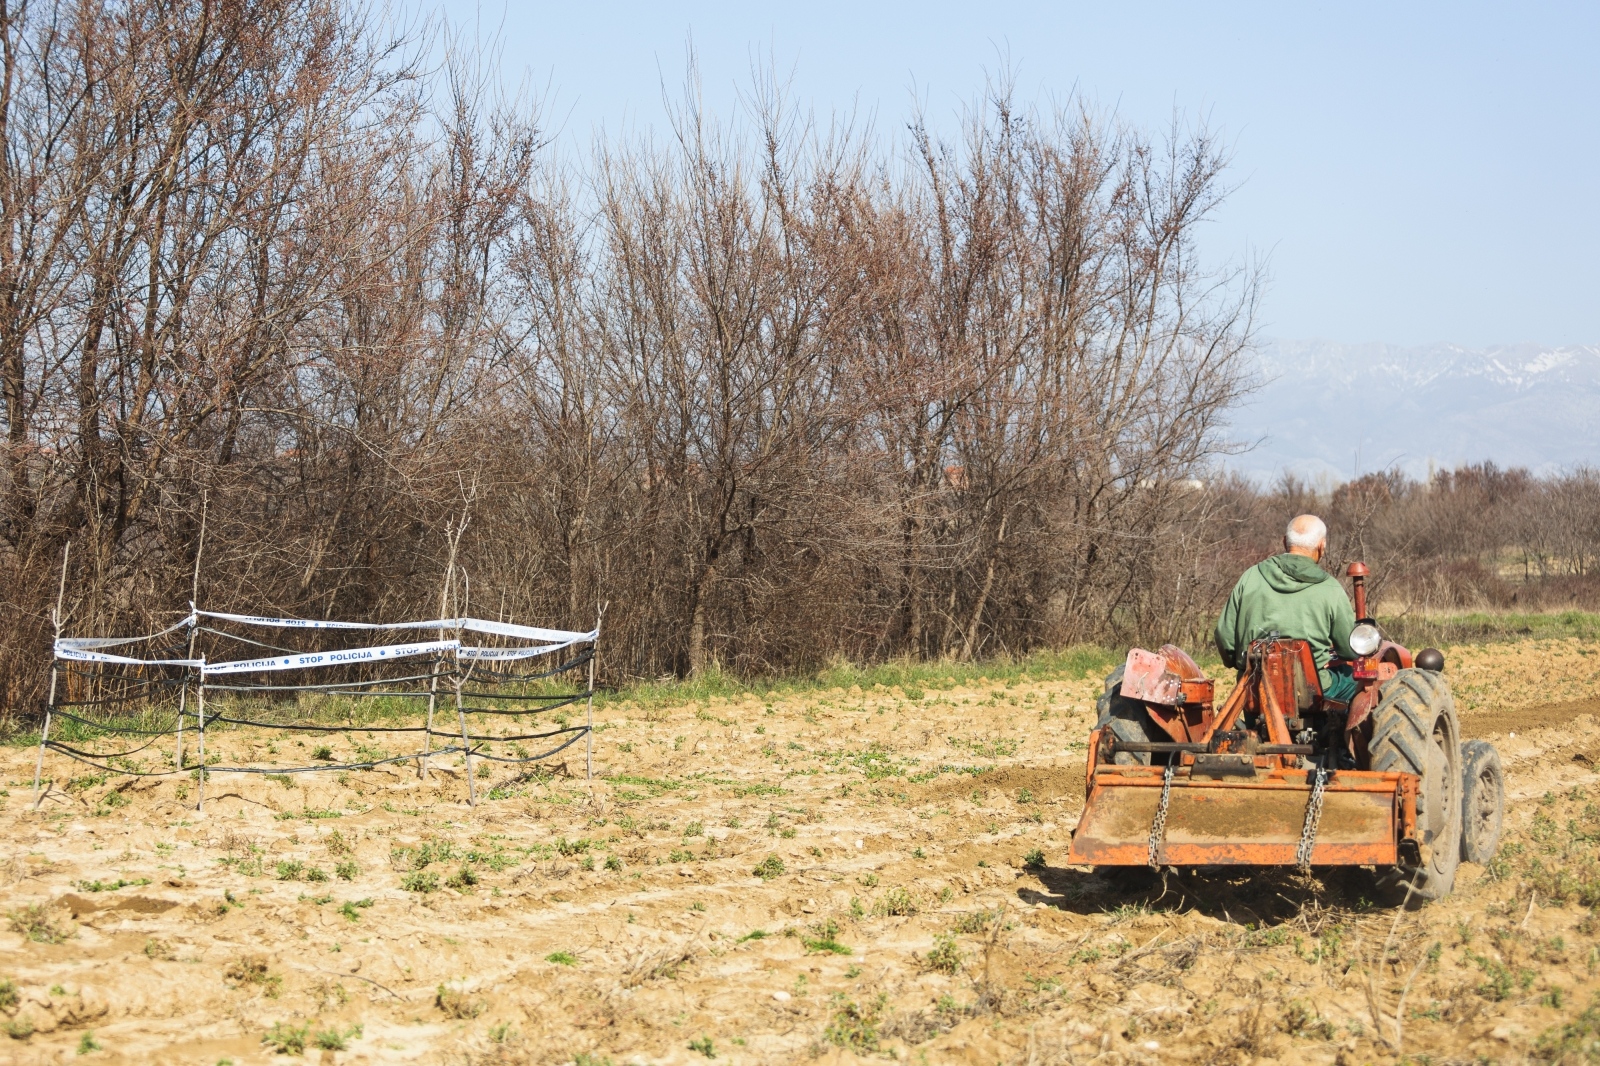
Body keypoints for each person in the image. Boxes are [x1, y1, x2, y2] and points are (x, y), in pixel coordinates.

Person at [1214, 514, 1359, 704]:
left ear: (1284, 542)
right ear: (1322, 546)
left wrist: (1240, 664)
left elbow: (1224, 637)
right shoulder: (1331, 588)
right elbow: (1350, 649)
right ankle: (1345, 734)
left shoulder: (1250, 577)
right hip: (1312, 693)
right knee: (1357, 681)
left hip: (1255, 691)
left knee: (1249, 685)